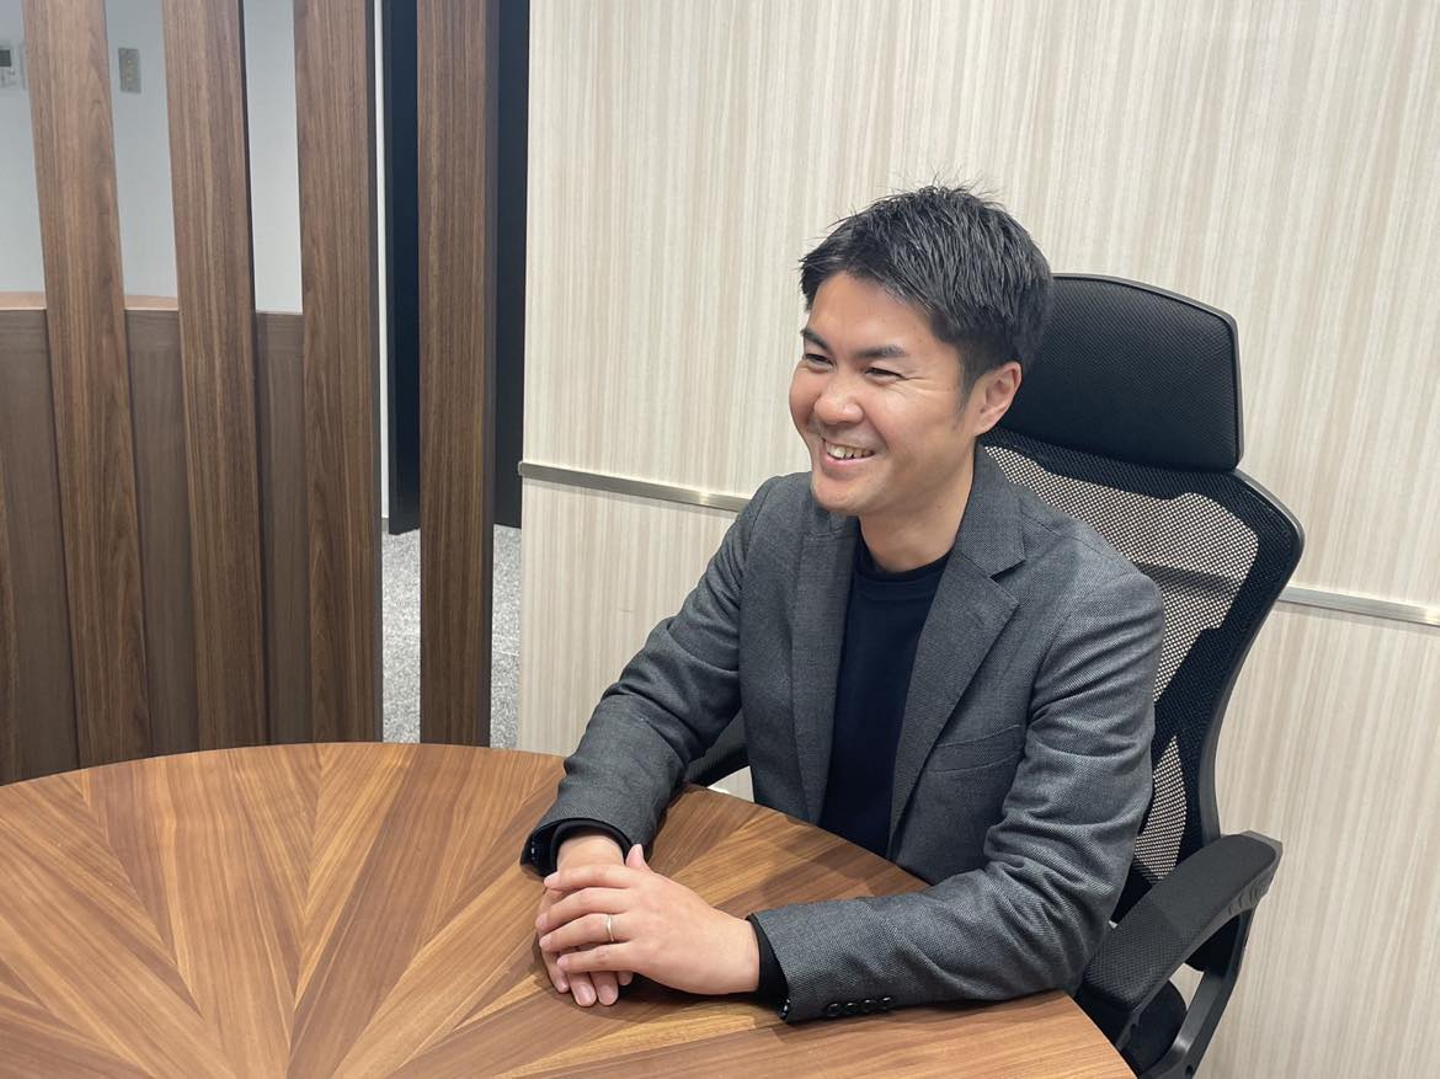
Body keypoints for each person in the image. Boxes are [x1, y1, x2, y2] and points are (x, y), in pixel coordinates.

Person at [523, 185, 1164, 1022]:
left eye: (881, 371)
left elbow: (1044, 910)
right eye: (818, 357)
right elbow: (656, 703)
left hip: (953, 1004)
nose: (829, 403)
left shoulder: (1095, 607)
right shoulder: (781, 523)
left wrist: (746, 950)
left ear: (991, 397)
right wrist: (592, 856)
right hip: (781, 939)